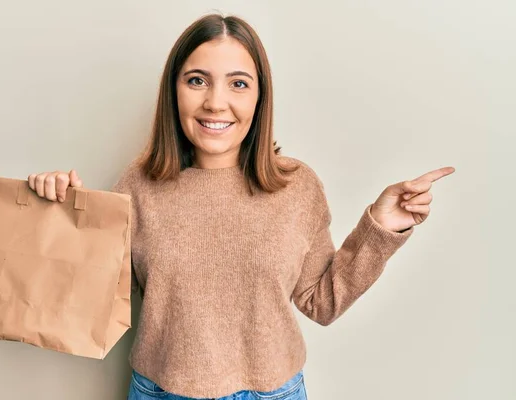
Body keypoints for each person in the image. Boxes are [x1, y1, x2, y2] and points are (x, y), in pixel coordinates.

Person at [27, 13, 455, 400]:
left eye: (238, 83)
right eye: (196, 80)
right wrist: (60, 215)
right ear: (173, 91)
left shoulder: (296, 186)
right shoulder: (138, 185)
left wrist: (379, 229)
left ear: (259, 97)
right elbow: (93, 302)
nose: (215, 102)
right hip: (160, 392)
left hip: (274, 393)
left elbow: (321, 303)